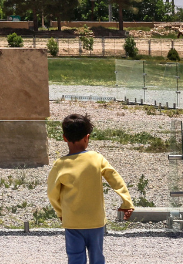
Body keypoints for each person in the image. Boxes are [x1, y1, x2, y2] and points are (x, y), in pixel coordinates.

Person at [47, 113, 133, 264]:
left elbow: (52, 194)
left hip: (72, 222)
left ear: (64, 138)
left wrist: (61, 213)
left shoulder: (60, 164)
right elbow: (115, 179)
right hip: (96, 221)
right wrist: (126, 202)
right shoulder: (96, 158)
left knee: (75, 258)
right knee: (97, 257)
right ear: (87, 137)